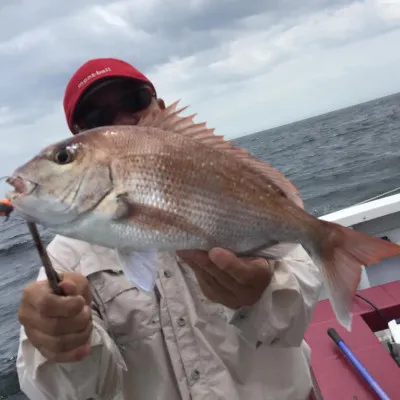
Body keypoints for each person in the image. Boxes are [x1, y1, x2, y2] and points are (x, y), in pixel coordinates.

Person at [16, 57, 323, 400]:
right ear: (85, 136)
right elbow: (68, 392)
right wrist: (60, 345)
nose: (122, 121)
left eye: (135, 101)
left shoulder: (231, 186)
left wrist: (262, 293)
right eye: (98, 118)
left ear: (159, 108)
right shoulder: (66, 259)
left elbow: (302, 307)